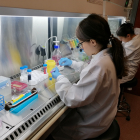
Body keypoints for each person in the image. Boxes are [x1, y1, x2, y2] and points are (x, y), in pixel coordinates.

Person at [50, 14, 127, 140]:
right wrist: (73, 63)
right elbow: (91, 69)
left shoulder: (100, 65)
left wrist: (60, 78)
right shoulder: (108, 54)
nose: (81, 47)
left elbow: (71, 98)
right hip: (103, 116)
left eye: (81, 43)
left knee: (53, 131)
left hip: (91, 124)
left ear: (93, 42)